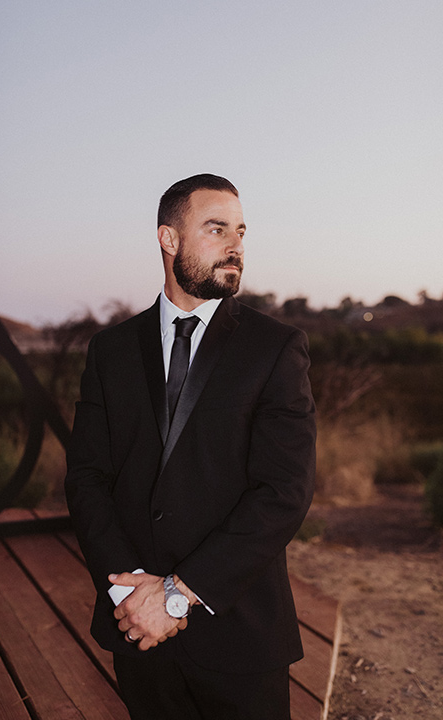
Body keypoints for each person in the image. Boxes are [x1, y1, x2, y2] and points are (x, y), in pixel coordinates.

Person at [65, 173, 316, 720]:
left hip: (240, 633)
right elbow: (87, 479)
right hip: (138, 633)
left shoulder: (274, 348)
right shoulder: (110, 351)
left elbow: (283, 493)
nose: (236, 246)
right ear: (169, 239)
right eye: (216, 228)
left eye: (242, 232)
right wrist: (129, 598)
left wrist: (177, 596)